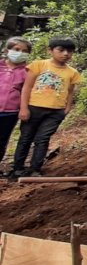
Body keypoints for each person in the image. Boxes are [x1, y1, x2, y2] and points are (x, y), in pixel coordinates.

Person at [12, 37, 82, 177]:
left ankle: (35, 169)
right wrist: (24, 108)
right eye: (61, 50)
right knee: (26, 138)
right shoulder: (38, 65)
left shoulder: (72, 72)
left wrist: (66, 109)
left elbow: (70, 92)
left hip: (55, 112)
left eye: (69, 51)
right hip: (33, 108)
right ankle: (17, 168)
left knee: (42, 139)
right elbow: (27, 87)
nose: (65, 54)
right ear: (50, 50)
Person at [0, 37, 31, 170]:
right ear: (7, 50)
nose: (20, 53)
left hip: (10, 112)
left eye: (24, 51)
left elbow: (27, 91)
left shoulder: (27, 72)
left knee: (1, 140)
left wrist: (23, 109)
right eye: (16, 49)